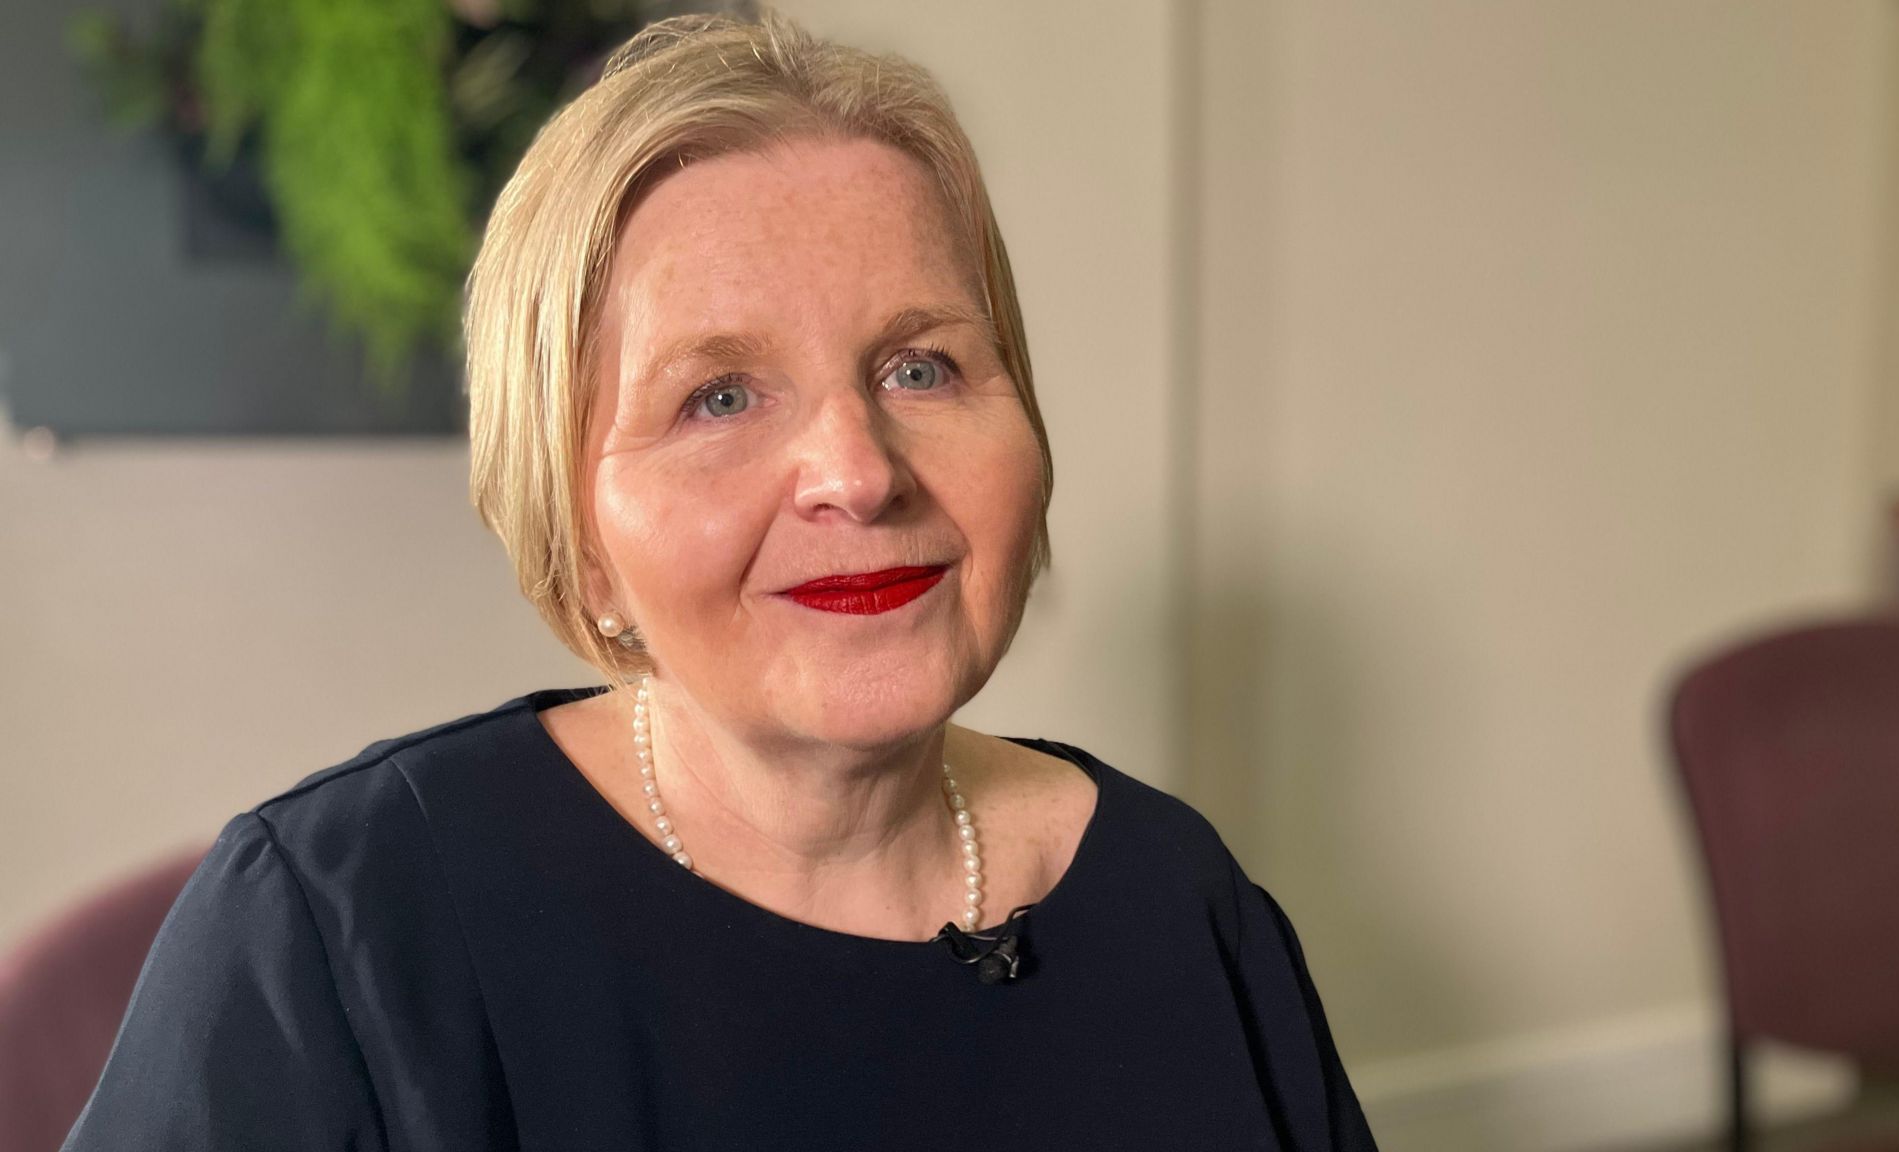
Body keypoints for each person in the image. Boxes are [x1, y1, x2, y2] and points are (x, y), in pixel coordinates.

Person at [63, 10, 1375, 1150]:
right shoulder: (338, 928)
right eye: (721, 396)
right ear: (576, 526)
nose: (857, 474)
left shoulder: (1180, 898)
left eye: (922, 366)